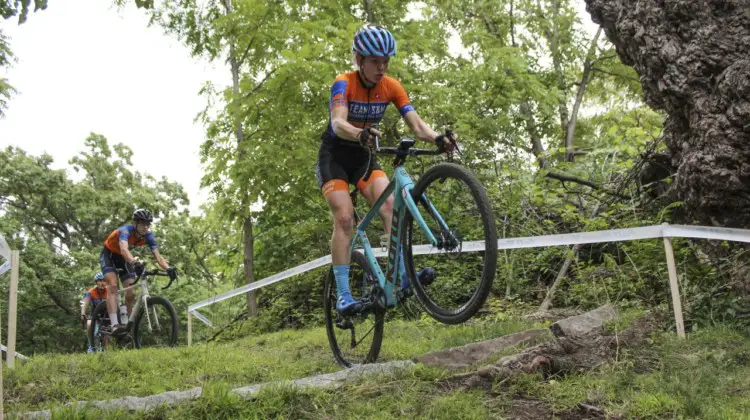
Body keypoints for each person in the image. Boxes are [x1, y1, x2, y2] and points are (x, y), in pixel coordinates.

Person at [317, 24, 457, 315]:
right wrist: (359, 133)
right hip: (335, 158)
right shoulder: (343, 83)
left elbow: (418, 126)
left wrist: (438, 139)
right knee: (344, 217)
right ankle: (343, 295)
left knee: (392, 205)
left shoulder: (391, 86)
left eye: (386, 62)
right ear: (359, 60)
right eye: (374, 62)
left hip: (365, 158)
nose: (381, 68)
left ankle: (402, 276)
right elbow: (337, 123)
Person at [99, 208, 176, 336]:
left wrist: (168, 269)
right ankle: (114, 324)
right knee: (112, 285)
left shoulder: (148, 236)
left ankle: (128, 325)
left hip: (123, 259)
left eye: (148, 224)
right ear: (135, 223)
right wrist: (134, 261)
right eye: (142, 223)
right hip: (109, 255)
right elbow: (124, 250)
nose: (145, 227)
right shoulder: (125, 231)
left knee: (132, 291)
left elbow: (158, 257)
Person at [81, 272, 108, 353]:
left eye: (104, 280)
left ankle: (106, 351)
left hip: (107, 317)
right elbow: (85, 304)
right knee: (89, 324)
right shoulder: (91, 292)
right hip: (95, 316)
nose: (102, 283)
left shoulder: (109, 291)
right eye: (99, 281)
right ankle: (91, 345)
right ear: (96, 282)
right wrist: (83, 314)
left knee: (107, 337)